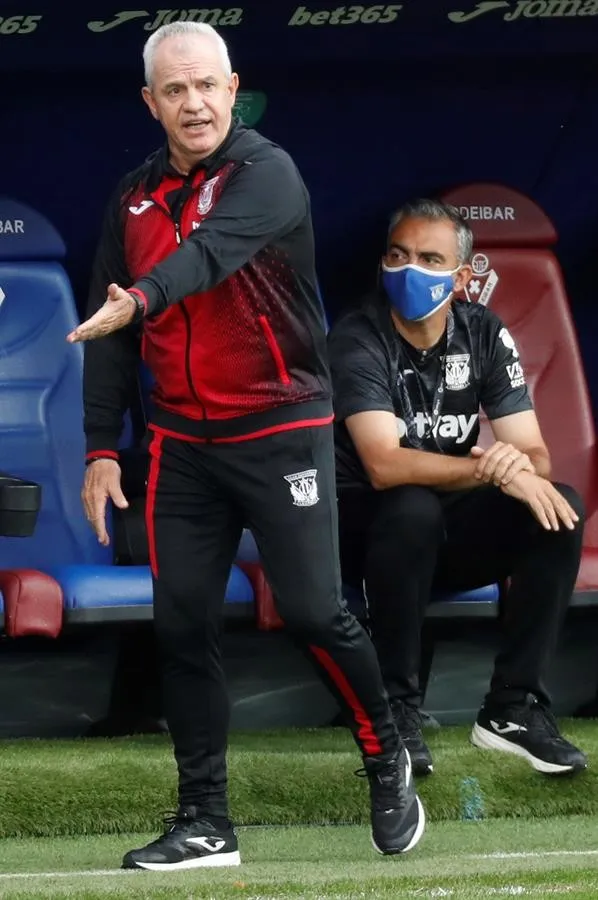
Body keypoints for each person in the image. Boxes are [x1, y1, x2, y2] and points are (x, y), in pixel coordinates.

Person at [67, 21, 424, 870]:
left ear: (235, 89)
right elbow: (108, 333)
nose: (194, 103)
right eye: (175, 90)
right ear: (150, 103)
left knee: (312, 609)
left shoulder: (270, 173)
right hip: (183, 443)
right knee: (182, 624)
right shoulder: (131, 198)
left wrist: (143, 298)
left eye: (207, 87)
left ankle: (386, 755)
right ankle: (205, 821)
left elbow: (211, 256)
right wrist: (99, 448)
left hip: (282, 426)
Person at [328, 199, 588, 778]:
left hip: (444, 532)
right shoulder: (357, 335)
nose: (408, 270)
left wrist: (516, 469)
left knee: (560, 508)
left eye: (428, 258)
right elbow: (383, 466)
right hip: (365, 537)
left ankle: (513, 708)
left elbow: (536, 453)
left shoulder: (484, 332)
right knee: (412, 507)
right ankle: (396, 712)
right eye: (398, 255)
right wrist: (491, 469)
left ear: (463, 276)